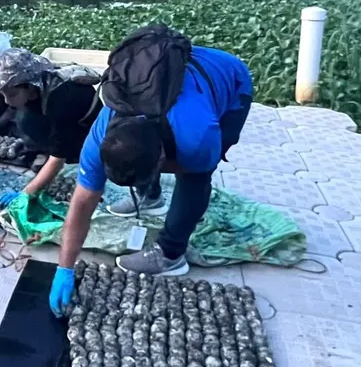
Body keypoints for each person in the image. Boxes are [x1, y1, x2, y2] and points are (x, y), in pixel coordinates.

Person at [49, 39, 253, 317]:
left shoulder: (197, 136)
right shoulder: (98, 140)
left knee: (195, 177)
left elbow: (196, 169)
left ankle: (171, 254)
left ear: (162, 159)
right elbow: (82, 203)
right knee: (140, 161)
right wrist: (64, 268)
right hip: (165, 90)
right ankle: (151, 198)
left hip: (229, 79)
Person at [0, 49, 101, 206]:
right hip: (54, 117)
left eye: (12, 94)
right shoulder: (11, 85)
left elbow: (59, 156)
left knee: (32, 125)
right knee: (22, 119)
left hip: (86, 128)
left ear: (30, 86)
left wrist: (26, 193)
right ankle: (44, 150)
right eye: (3, 94)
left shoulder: (60, 96)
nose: (6, 100)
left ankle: (74, 154)